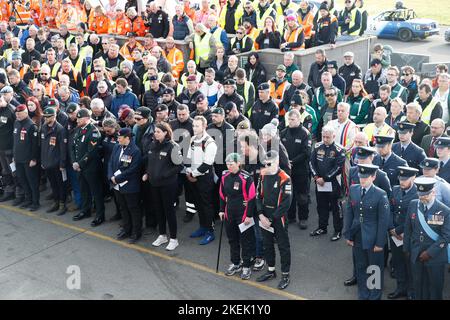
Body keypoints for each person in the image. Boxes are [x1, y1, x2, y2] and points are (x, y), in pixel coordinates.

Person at [344, 163, 390, 300]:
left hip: (373, 238)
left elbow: (383, 221)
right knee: (361, 266)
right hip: (358, 236)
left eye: (366, 177)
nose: (362, 180)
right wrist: (348, 234)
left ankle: (374, 296)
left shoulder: (381, 195)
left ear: (373, 177)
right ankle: (363, 295)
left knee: (374, 269)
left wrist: (380, 243)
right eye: (360, 176)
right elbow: (349, 213)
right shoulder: (353, 189)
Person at [404, 177, 450, 300]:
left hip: (435, 257)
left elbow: (446, 238)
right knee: (418, 286)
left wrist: (429, 253)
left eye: (425, 195)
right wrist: (407, 249)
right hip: (416, 254)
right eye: (420, 195)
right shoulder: (414, 204)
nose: (422, 198)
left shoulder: (444, 211)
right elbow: (408, 229)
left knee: (435, 288)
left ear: (433, 192)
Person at [255, 150, 292, 290]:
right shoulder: (263, 175)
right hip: (264, 216)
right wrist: (260, 214)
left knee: (283, 246)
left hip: (278, 217)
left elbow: (286, 203)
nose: (266, 166)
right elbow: (258, 196)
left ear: (276, 162)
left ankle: (285, 274)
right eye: (265, 163)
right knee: (267, 244)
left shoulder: (285, 178)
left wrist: (270, 218)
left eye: (269, 164)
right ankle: (271, 270)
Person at [219, 153, 256, 280]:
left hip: (243, 213)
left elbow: (252, 198)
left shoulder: (246, 177)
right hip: (229, 212)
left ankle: (246, 266)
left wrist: (249, 216)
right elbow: (222, 194)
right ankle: (235, 263)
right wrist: (221, 210)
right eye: (227, 164)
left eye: (232, 164)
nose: (229, 166)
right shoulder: (224, 176)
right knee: (232, 240)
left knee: (245, 241)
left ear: (238, 163)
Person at [309, 125, 346, 240]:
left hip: (334, 184)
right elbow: (311, 163)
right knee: (321, 206)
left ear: (333, 136)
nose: (325, 139)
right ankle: (322, 227)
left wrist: (324, 178)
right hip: (319, 183)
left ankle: (338, 231)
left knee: (336, 208)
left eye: (328, 137)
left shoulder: (340, 149)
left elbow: (338, 167)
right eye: (323, 136)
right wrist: (316, 176)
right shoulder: (317, 146)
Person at [387, 166, 418, 300]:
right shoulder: (395, 190)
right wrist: (391, 228)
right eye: (400, 179)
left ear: (413, 178)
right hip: (394, 234)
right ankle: (400, 288)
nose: (401, 182)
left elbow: (414, 217)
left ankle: (412, 291)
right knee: (398, 262)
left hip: (408, 235)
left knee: (410, 264)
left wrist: (399, 230)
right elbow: (389, 209)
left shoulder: (418, 194)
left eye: (405, 179)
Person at [186, 116, 218, 245]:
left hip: (204, 178)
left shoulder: (210, 143)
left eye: (197, 126)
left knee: (206, 205)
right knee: (198, 204)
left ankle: (210, 231)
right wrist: (189, 172)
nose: (194, 128)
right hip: (193, 177)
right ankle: (202, 227)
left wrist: (193, 174)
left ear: (204, 126)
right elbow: (188, 158)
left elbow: (207, 164)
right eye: (193, 125)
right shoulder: (193, 140)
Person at [108, 127, 142, 244]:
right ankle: (126, 229)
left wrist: (116, 178)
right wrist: (111, 176)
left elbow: (132, 170)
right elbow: (110, 163)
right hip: (117, 185)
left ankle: (136, 232)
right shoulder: (117, 147)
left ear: (127, 138)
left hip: (129, 185)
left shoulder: (135, 151)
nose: (117, 139)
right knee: (123, 208)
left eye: (120, 138)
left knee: (133, 209)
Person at [71, 108, 105, 227]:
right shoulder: (77, 130)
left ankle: (100, 215)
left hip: (90, 167)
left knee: (96, 192)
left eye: (79, 118)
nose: (77, 120)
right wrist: (74, 162)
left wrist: (79, 164)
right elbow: (72, 147)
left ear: (86, 119)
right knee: (84, 190)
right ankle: (86, 210)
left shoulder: (94, 132)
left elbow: (91, 152)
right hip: (79, 167)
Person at [281, 109, 312, 229]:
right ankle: (291, 216)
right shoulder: (283, 132)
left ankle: (303, 218)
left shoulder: (305, 134)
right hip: (287, 170)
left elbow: (306, 153)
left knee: (302, 195)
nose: (290, 121)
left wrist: (291, 162)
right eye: (289, 119)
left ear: (299, 119)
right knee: (289, 194)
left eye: (293, 119)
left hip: (301, 170)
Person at [40, 107, 68, 216]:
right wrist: (43, 161)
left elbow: (63, 149)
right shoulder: (43, 128)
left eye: (48, 117)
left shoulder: (60, 130)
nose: (46, 119)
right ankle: (56, 201)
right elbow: (42, 146)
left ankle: (62, 204)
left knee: (61, 185)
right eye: (45, 117)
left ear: (54, 116)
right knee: (53, 184)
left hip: (57, 164)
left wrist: (62, 163)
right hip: (47, 163)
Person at [12, 104, 40, 211]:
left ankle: (35, 202)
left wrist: (33, 159)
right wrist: (14, 156)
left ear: (25, 113)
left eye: (19, 114)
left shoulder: (31, 126)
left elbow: (35, 145)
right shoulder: (16, 123)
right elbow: (15, 141)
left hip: (28, 160)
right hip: (18, 158)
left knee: (32, 181)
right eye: (16, 114)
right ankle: (28, 200)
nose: (17, 116)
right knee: (22, 180)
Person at [0, 95, 17, 203]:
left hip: (10, 149)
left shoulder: (11, 110)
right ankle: (9, 191)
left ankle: (18, 193)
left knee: (14, 171)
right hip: (1, 149)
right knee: (5, 171)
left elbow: (17, 129)